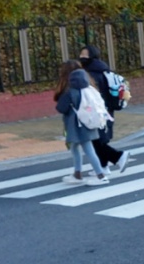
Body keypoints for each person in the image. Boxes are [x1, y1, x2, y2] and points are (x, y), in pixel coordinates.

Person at [54, 61, 110, 186]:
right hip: (88, 122)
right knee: (76, 147)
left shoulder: (69, 91)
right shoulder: (89, 88)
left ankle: (100, 176)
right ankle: (77, 174)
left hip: (76, 125)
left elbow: (61, 108)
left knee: (87, 149)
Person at [79, 44, 130, 174]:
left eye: (85, 54)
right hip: (106, 110)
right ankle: (103, 166)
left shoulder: (91, 73)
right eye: (81, 54)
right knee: (98, 139)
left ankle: (118, 156)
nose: (81, 56)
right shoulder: (104, 70)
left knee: (96, 140)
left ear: (92, 55)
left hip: (96, 111)